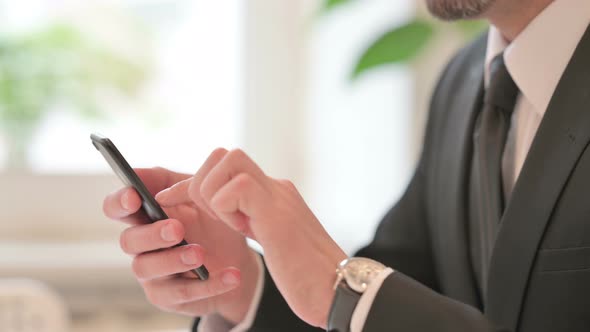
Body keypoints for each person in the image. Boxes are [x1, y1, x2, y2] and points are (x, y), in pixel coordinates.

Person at [102, 0, 590, 331]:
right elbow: (402, 302)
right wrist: (243, 285)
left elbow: (372, 303)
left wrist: (351, 292)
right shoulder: (462, 85)